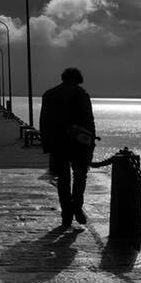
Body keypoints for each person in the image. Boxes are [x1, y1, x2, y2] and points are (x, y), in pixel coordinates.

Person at [40, 67, 96, 227]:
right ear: (78, 79)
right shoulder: (81, 93)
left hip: (57, 143)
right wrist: (91, 141)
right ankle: (77, 206)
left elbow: (44, 121)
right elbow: (88, 119)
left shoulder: (49, 94)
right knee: (80, 176)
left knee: (63, 179)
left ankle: (66, 214)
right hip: (78, 143)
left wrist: (47, 144)